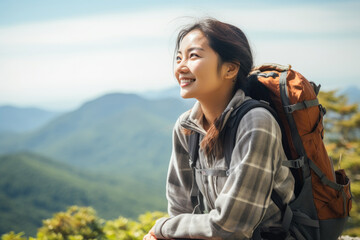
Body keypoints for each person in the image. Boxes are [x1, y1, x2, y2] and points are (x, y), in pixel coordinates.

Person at [144, 18, 295, 240]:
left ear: (230, 69)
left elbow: (232, 226)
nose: (181, 67)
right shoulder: (186, 127)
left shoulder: (256, 122)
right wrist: (169, 231)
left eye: (193, 56)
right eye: (179, 57)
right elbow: (179, 209)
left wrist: (162, 228)